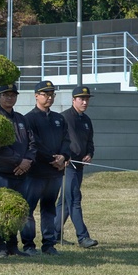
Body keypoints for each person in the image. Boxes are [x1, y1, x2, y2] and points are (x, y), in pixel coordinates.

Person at [20, 80, 70, 256]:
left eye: (51, 94)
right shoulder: (29, 119)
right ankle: (28, 244)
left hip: (55, 172)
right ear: (36, 96)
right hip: (36, 172)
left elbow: (66, 141)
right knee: (28, 209)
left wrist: (64, 156)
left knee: (49, 209)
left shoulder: (59, 118)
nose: (49, 97)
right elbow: (34, 144)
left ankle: (49, 244)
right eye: (45, 94)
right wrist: (52, 158)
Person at [0, 83, 36, 257]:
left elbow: (32, 144)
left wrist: (28, 161)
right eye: (6, 95)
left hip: (21, 174)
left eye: (13, 95)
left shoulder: (21, 119)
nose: (10, 98)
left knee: (16, 210)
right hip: (2, 173)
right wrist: (19, 161)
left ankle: (12, 245)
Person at [56, 85, 99, 248]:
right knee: (74, 199)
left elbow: (90, 142)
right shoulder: (64, 118)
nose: (85, 102)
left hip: (79, 166)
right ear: (74, 100)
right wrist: (63, 156)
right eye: (81, 99)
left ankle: (54, 234)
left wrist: (89, 153)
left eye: (87, 99)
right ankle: (83, 237)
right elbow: (58, 140)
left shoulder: (86, 120)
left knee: (65, 202)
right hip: (68, 166)